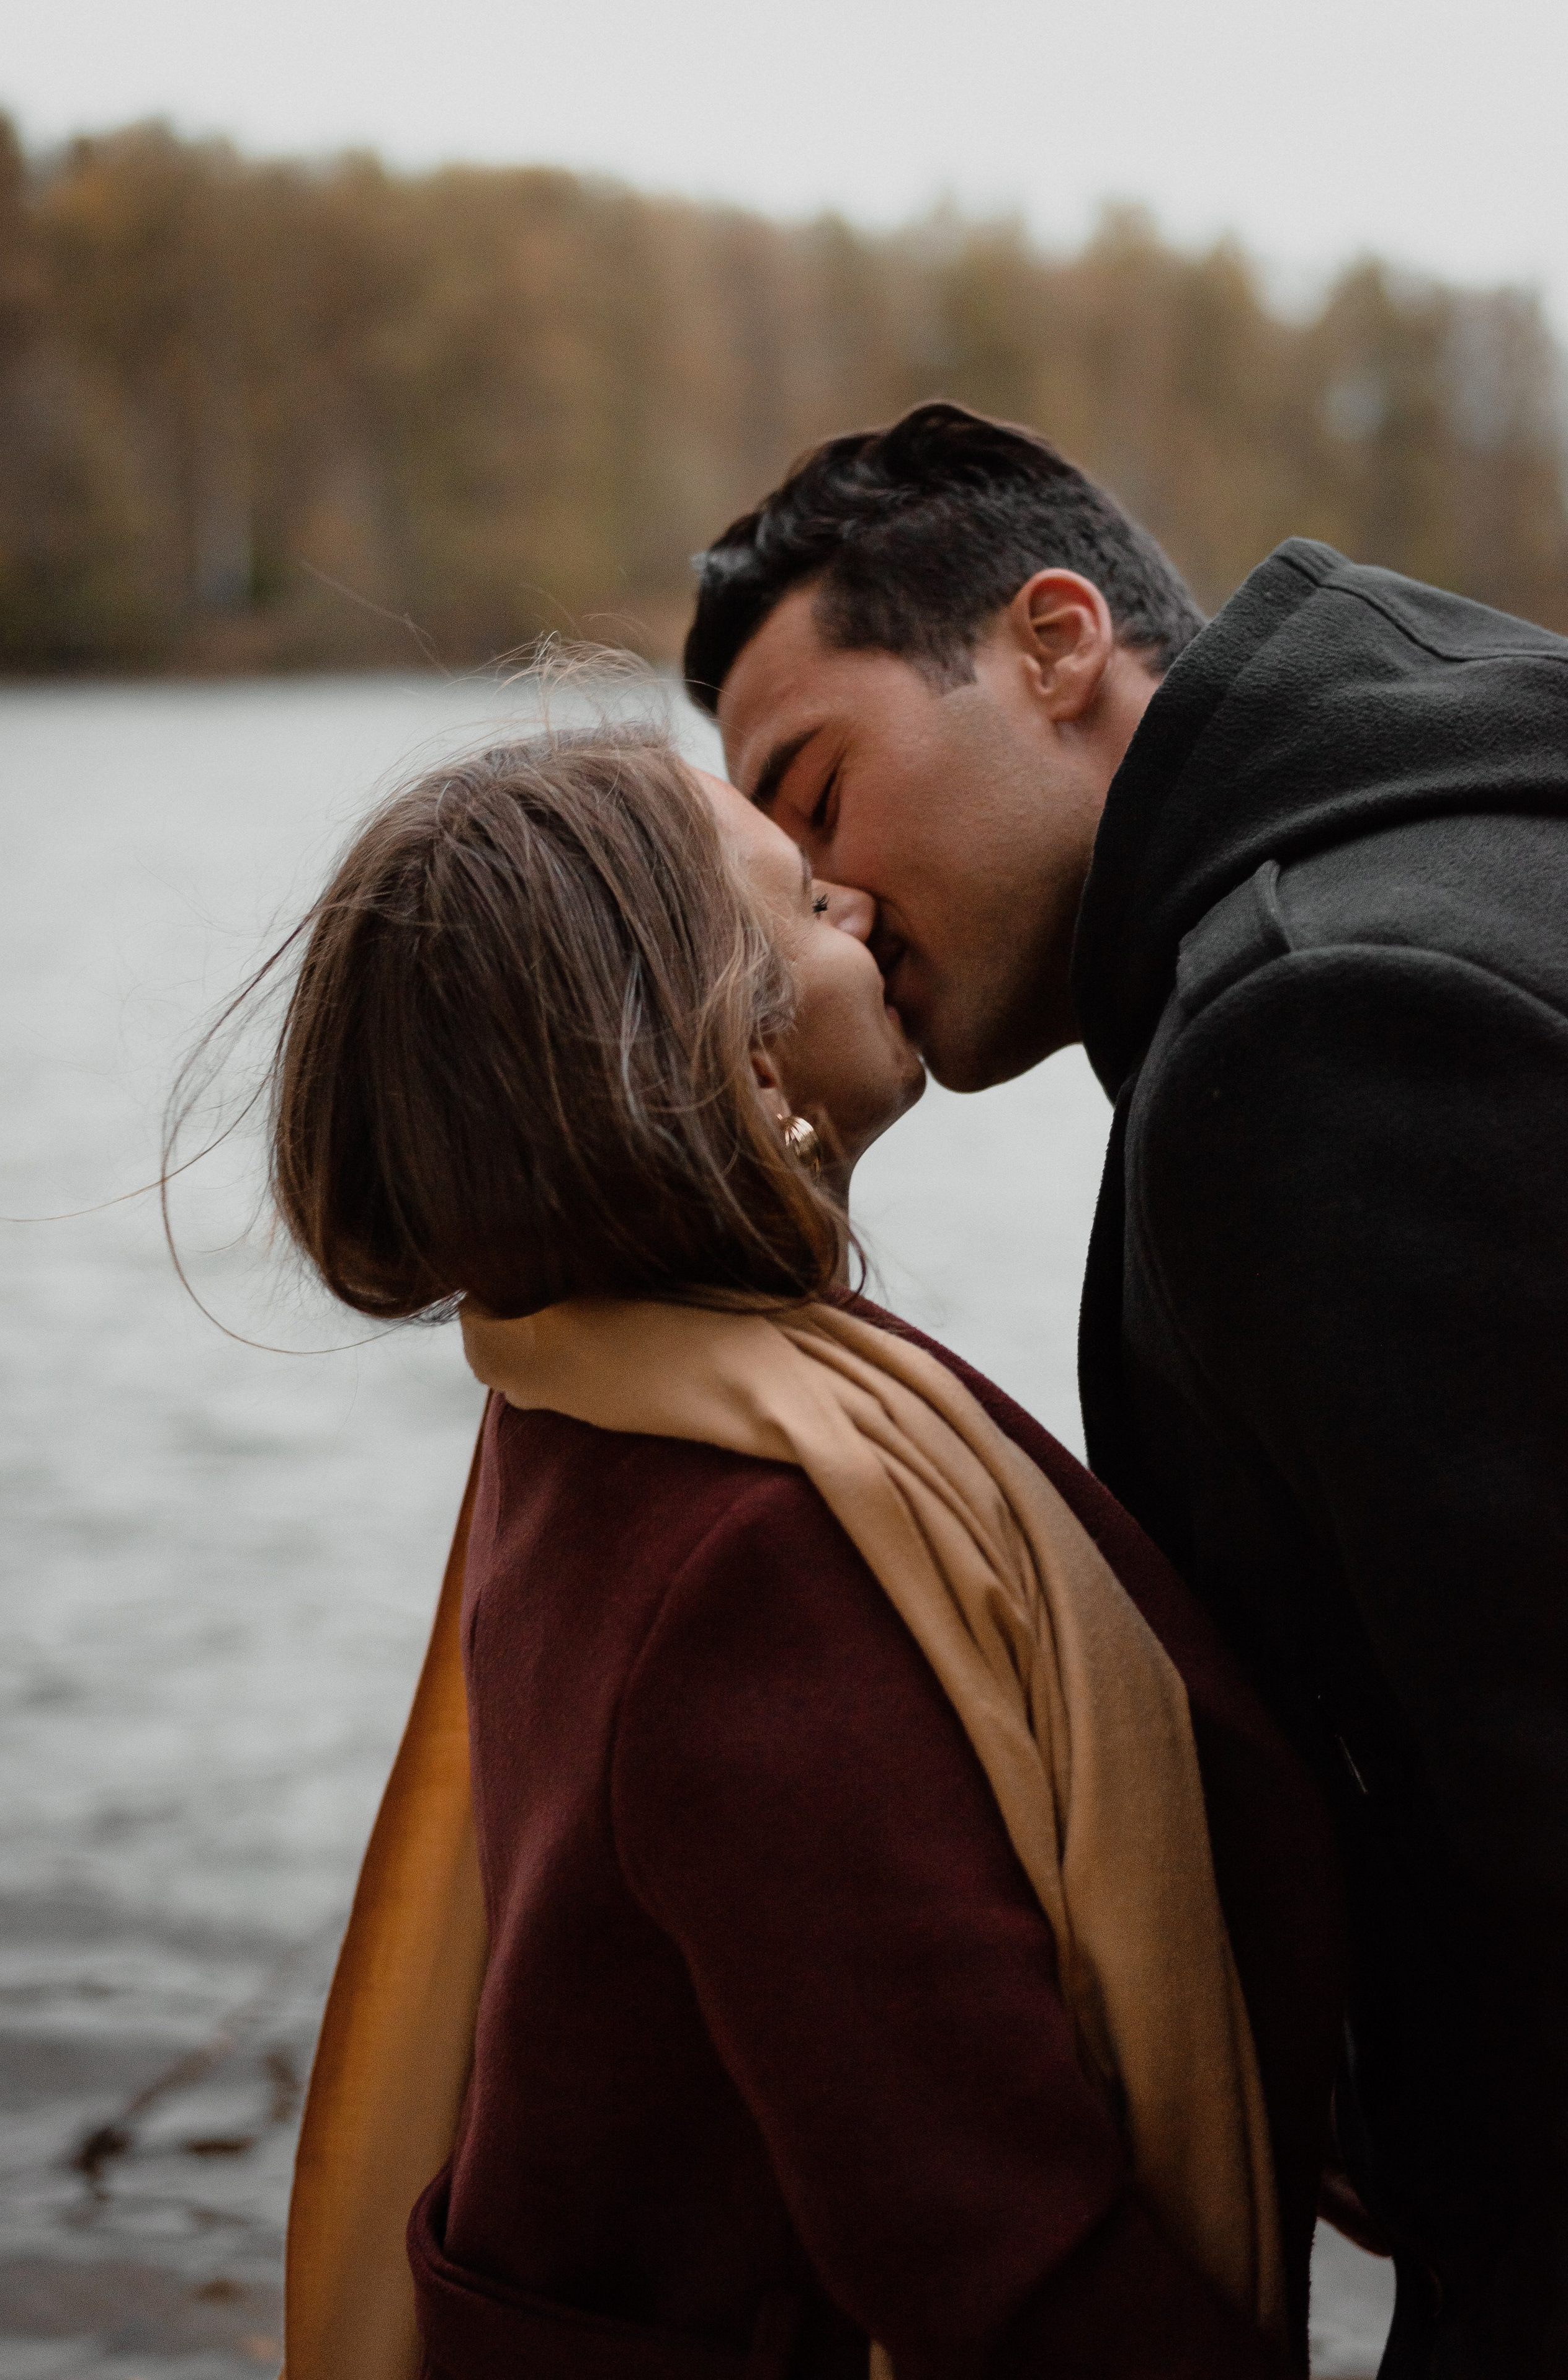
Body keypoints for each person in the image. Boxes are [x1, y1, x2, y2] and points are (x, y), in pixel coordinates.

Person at [263, 726, 1342, 2379]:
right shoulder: (752, 1555)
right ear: (731, 1053)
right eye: (808, 902)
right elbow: (1000, 2256)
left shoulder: (581, 1402)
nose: (862, 904)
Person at [683, 400, 1568, 2377]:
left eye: (817, 796)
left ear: (1055, 642)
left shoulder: (1323, 1025)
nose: (825, 907)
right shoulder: (1472, 807)